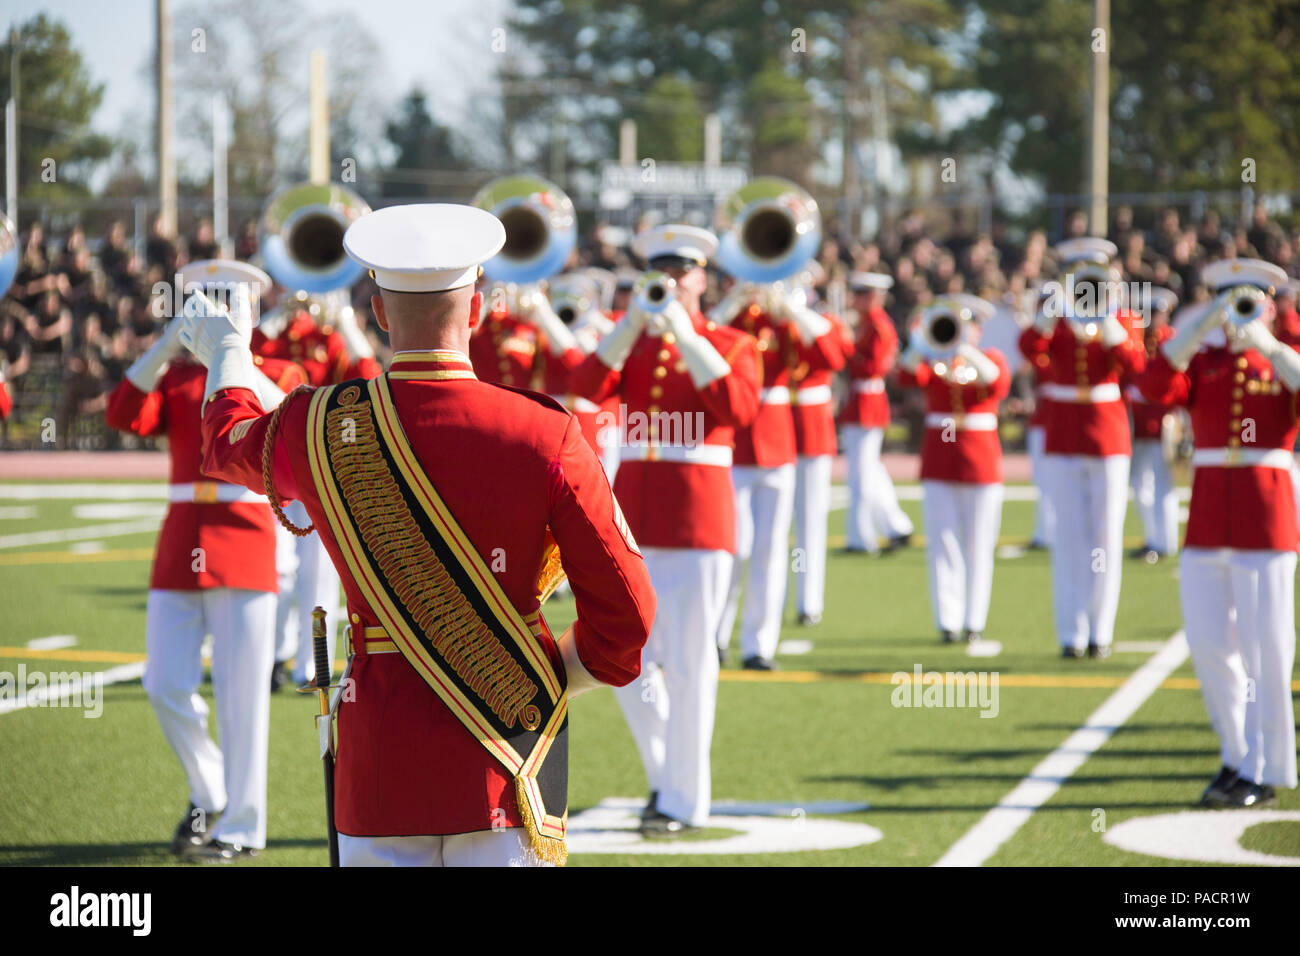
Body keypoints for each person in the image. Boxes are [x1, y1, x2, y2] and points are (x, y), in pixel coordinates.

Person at [180, 203, 655, 867]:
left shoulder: (320, 426)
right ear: (481, 309)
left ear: (377, 311)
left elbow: (227, 443)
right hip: (508, 760)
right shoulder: (546, 432)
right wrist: (551, 675)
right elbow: (628, 616)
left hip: (380, 762)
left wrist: (229, 350)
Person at [104, 260, 301, 862]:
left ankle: (242, 827)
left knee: (244, 701)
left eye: (227, 299)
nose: (215, 308)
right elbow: (120, 414)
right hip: (179, 544)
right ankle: (211, 787)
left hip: (244, 540)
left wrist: (234, 353)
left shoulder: (275, 372)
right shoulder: (181, 378)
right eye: (205, 300)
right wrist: (167, 345)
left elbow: (294, 413)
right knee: (163, 682)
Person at [570, 223, 761, 835]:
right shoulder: (636, 344)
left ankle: (683, 799)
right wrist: (630, 324)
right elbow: (582, 388)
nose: (674, 282)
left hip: (699, 519)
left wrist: (685, 333)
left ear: (704, 277)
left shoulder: (733, 342)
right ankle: (664, 780)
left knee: (688, 662)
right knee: (628, 659)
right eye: (663, 272)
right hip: (635, 516)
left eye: (684, 272)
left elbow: (738, 408)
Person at [1138, 258, 1298, 807]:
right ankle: (1234, 756)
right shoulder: (1202, 361)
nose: (1237, 311)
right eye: (1228, 301)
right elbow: (1153, 385)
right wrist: (1201, 326)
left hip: (1266, 520)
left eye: (1249, 300)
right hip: (1208, 520)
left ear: (1271, 307)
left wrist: (1270, 345)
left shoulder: (1281, 363)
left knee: (1267, 651)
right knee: (1209, 645)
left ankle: (1266, 767)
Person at [1019, 238, 1145, 658]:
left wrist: (1108, 323)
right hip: (1064, 431)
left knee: (1105, 535)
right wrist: (1049, 315)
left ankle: (1100, 631)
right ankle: (1070, 633)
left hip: (1107, 432)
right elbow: (1028, 350)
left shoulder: (1124, 315)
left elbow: (1137, 368)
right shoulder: (1054, 316)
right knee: (1069, 534)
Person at [251, 289, 382, 690]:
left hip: (324, 469)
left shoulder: (330, 338)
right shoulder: (270, 337)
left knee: (319, 575)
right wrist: (274, 315)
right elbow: (243, 355)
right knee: (277, 570)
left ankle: (311, 666)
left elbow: (371, 377)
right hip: (279, 469)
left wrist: (342, 319)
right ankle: (273, 656)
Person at [713, 277, 844, 668]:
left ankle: (758, 645)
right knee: (734, 548)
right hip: (736, 446)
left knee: (770, 552)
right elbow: (701, 337)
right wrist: (734, 300)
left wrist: (792, 307)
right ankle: (716, 637)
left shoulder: (787, 323)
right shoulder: (732, 319)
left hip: (777, 443)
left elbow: (832, 355)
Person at [897, 295, 1011, 644]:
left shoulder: (989, 357)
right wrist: (924, 340)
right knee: (943, 542)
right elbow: (904, 374)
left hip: (981, 461)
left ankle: (973, 620)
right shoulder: (933, 361)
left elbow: (995, 382)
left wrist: (964, 346)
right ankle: (947, 620)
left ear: (977, 329)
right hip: (940, 457)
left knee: (979, 544)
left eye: (967, 326)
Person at [840, 272, 914, 553]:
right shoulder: (868, 324)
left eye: (862, 294)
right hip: (861, 399)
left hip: (867, 401)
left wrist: (847, 346)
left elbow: (875, 367)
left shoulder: (878, 326)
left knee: (860, 475)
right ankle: (896, 526)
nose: (856, 300)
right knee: (869, 471)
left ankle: (861, 537)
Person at [1125, 287, 1180, 562]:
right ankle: (1152, 537)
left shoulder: (1171, 340)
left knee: (1162, 484)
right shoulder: (1136, 340)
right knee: (1140, 483)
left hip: (1163, 421)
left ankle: (1165, 541)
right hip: (1139, 423)